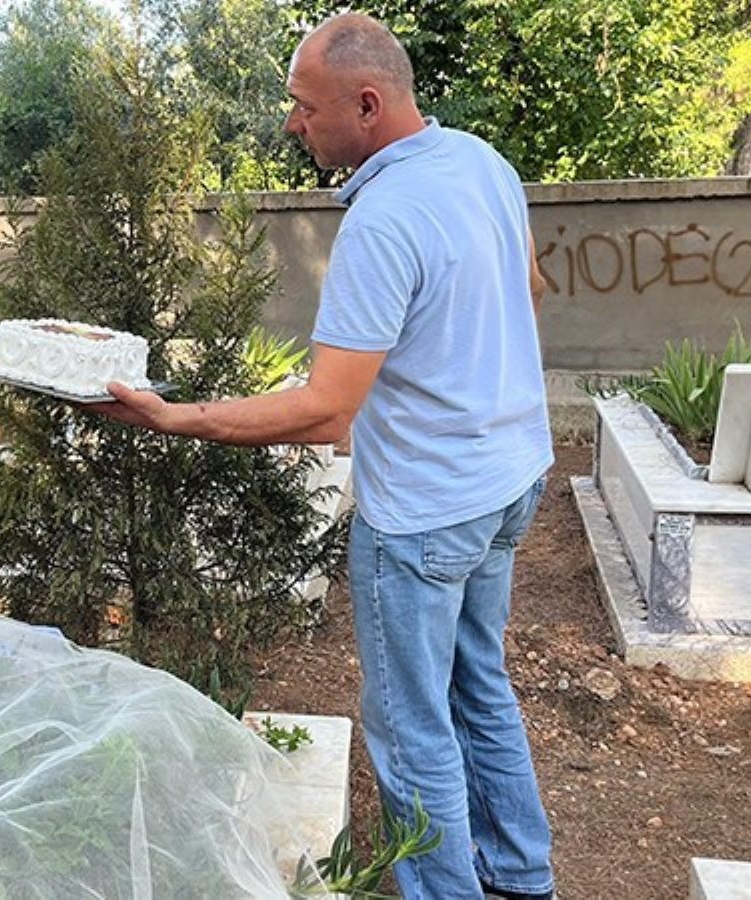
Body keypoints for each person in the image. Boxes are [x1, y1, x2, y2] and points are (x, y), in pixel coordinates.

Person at [92, 14, 555, 900]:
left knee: (412, 726)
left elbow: (326, 412)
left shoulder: (384, 219)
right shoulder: (481, 163)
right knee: (480, 688)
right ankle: (521, 878)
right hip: (509, 483)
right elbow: (529, 290)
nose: (292, 124)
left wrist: (175, 418)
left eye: (305, 108)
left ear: (368, 105)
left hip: (423, 514)